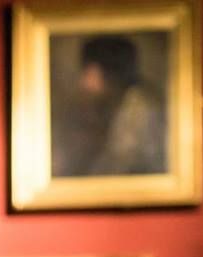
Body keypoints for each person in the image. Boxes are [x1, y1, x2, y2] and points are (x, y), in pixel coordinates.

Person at [54, 34, 165, 177]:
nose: (83, 82)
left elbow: (116, 166)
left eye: (87, 72)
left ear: (105, 71)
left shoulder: (140, 109)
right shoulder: (118, 103)